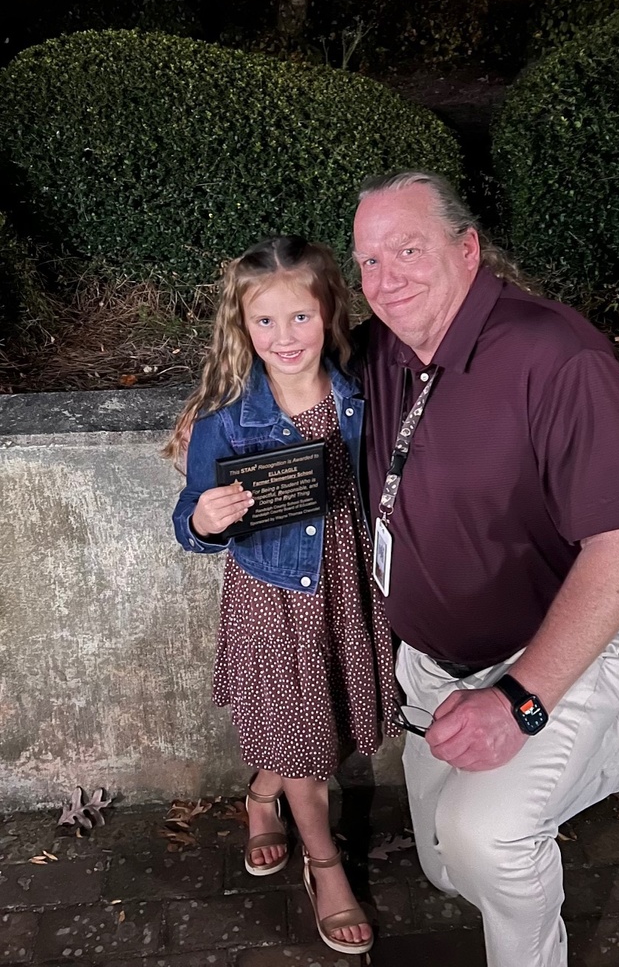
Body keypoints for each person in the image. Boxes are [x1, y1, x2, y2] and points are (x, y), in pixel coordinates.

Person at [351, 171, 619, 967]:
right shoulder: (378, 349)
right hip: (433, 667)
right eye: (367, 260)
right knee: (443, 868)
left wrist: (518, 701)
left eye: (406, 249)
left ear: (466, 250)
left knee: (486, 841)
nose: (384, 278)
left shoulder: (554, 356)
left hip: (551, 657)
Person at [167, 236, 399, 957]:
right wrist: (202, 520)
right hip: (273, 593)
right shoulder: (228, 416)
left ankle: (261, 795)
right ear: (240, 327)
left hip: (346, 581)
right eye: (263, 322)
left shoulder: (356, 390)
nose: (283, 338)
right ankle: (324, 867)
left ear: (328, 311)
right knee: (302, 734)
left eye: (299, 317)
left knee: (312, 723)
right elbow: (190, 515)